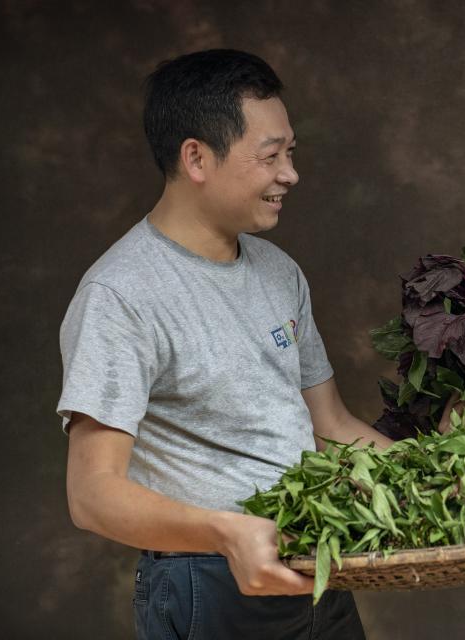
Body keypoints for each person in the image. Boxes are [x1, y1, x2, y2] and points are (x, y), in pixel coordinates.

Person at [57, 49, 392, 639]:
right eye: (270, 156)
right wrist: (226, 532)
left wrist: (443, 474)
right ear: (197, 158)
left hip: (318, 566)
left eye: (291, 153)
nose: (290, 173)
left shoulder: (278, 271)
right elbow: (92, 495)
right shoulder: (120, 295)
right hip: (208, 583)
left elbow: (331, 424)